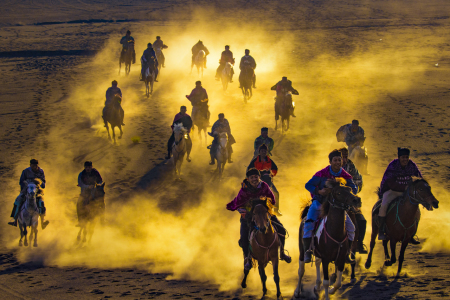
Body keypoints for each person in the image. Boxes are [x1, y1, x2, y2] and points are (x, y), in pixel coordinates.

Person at [226, 168, 291, 270]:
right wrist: (241, 210)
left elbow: (272, 198)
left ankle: (282, 253)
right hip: (248, 216)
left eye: (256, 177)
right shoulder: (244, 190)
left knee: (281, 229)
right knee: (244, 237)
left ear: (259, 177)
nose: (254, 179)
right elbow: (238, 203)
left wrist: (268, 207)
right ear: (248, 179)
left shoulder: (264, 186)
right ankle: (247, 258)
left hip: (264, 214)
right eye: (251, 177)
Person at [303, 149, 357, 263]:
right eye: (335, 160)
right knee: (308, 223)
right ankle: (307, 250)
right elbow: (308, 185)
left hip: (337, 207)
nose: (338, 162)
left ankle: (347, 253)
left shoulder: (346, 176)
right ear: (330, 161)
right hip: (319, 202)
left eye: (339, 160)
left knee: (351, 228)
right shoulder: (322, 173)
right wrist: (319, 191)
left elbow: (354, 189)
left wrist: (346, 190)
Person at [378, 148, 422, 244]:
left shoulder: (412, 165)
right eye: (403, 157)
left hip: (406, 193)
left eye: (407, 157)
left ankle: (411, 234)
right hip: (392, 191)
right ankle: (381, 230)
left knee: (417, 211)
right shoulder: (393, 166)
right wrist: (403, 187)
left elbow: (419, 178)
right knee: (384, 205)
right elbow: (388, 181)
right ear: (399, 157)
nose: (405, 159)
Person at [340, 147, 367, 254]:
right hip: (336, 199)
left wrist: (354, 190)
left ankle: (359, 244)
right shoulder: (333, 167)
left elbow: (359, 180)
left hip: (350, 200)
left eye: (346, 156)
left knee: (361, 220)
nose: (344, 159)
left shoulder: (351, 167)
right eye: (342, 157)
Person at [8, 159, 49, 229]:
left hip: (37, 191)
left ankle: (43, 220)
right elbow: (21, 182)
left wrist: (40, 183)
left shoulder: (41, 171)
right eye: (33, 165)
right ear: (30, 165)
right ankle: (14, 219)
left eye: (36, 165)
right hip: (26, 190)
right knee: (17, 201)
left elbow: (44, 183)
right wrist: (25, 189)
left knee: (41, 202)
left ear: (37, 165)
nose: (34, 167)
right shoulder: (25, 171)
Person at [248, 144, 281, 216]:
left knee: (276, 193)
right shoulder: (255, 161)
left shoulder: (269, 160)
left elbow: (275, 168)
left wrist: (272, 174)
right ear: (259, 152)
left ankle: (276, 210)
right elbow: (249, 170)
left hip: (268, 181)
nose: (263, 152)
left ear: (267, 152)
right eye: (262, 151)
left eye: (265, 151)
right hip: (257, 182)